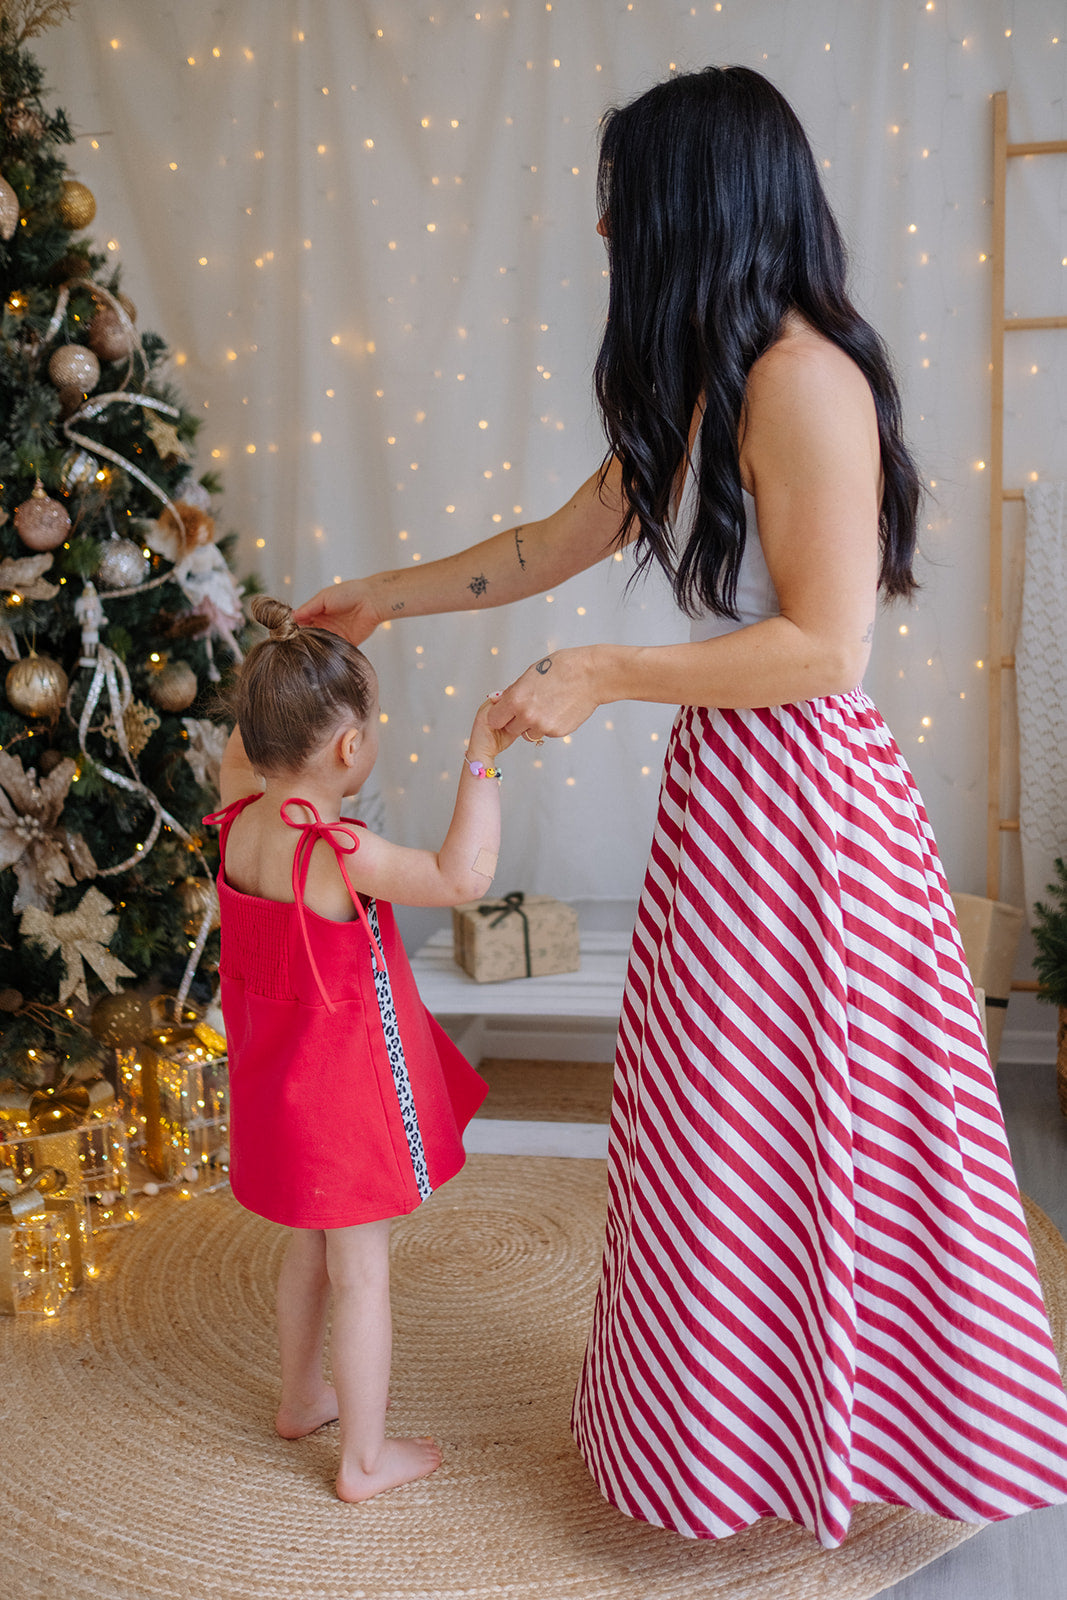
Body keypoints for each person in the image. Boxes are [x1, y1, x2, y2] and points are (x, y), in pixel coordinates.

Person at [295, 66, 1067, 1546]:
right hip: (732, 812)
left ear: (694, 203)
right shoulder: (705, 376)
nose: (601, 226)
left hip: (808, 827)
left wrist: (602, 672)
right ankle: (725, 1448)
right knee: (711, 1145)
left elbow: (824, 649)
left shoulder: (801, 380)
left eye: (624, 196)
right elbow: (545, 541)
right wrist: (379, 595)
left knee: (814, 1142)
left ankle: (848, 1441)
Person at [206, 594, 512, 1503]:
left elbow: (246, 747)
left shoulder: (238, 821)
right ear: (350, 751)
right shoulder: (339, 849)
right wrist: (481, 761)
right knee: (362, 1273)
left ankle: (302, 1399)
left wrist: (295, 658)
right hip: (338, 1104)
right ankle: (365, 1460)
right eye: (367, 727)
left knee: (308, 1251)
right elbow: (463, 877)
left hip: (272, 1087)